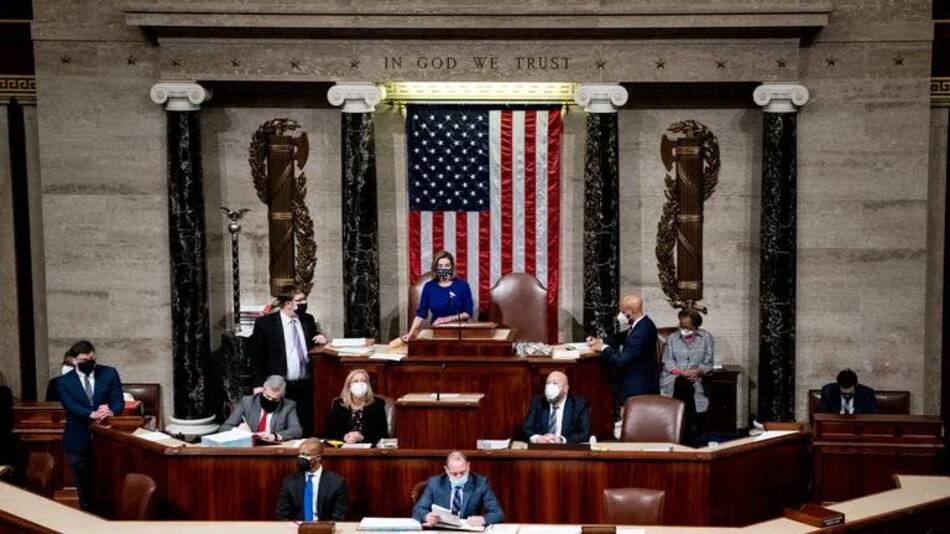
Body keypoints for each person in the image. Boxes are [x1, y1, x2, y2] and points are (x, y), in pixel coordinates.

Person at [248, 285, 328, 436]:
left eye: (304, 299)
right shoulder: (265, 324)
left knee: (305, 425)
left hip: (305, 384)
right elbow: (256, 357)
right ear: (288, 304)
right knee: (281, 426)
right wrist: (258, 384)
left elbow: (311, 339)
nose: (304, 303)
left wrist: (321, 337)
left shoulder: (307, 319)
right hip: (280, 385)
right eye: (300, 300)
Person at [55, 340, 124, 511]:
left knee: (108, 483)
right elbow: (70, 405)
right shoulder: (63, 381)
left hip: (106, 438)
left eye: (92, 358)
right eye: (85, 360)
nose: (90, 362)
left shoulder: (109, 373)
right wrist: (90, 413)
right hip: (78, 437)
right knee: (84, 487)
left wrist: (110, 409)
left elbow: (118, 399)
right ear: (74, 361)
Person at [587, 294, 659, 409]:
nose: (619, 315)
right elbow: (621, 337)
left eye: (621, 311)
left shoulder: (643, 330)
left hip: (639, 390)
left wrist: (603, 348)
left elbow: (621, 360)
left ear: (629, 313)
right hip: (632, 387)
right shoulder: (640, 324)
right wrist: (600, 340)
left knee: (633, 424)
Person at [660, 309, 715, 442]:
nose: (683, 329)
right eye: (681, 325)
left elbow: (708, 363)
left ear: (696, 327)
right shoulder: (672, 338)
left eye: (686, 327)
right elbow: (667, 361)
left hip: (696, 378)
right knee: (682, 384)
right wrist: (681, 372)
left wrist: (698, 371)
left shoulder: (706, 338)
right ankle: (689, 432)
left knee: (689, 387)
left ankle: (682, 431)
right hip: (674, 378)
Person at [413, 451, 504, 527]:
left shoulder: (480, 483)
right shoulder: (435, 483)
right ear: (447, 470)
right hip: (442, 530)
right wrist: (427, 516)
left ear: (468, 466)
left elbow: (498, 513)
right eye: (454, 474)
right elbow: (418, 510)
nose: (459, 476)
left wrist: (483, 519)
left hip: (468, 531)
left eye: (462, 472)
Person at [402, 250, 474, 341]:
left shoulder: (463, 286)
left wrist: (446, 319)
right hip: (437, 333)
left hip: (459, 333)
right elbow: (420, 314)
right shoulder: (429, 287)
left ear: (452, 268)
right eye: (440, 266)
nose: (443, 269)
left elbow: (468, 313)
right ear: (436, 268)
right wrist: (410, 333)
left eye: (447, 266)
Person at [276, 438, 348, 521]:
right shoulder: (290, 481)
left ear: (318, 457)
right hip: (296, 528)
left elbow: (339, 516)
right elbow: (282, 514)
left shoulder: (336, 482)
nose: (301, 458)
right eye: (300, 454)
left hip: (324, 528)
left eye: (306, 455)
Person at [219, 375, 302, 442]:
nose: (270, 400)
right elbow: (224, 428)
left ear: (282, 396)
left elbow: (297, 430)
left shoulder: (288, 405)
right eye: (268, 396)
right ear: (263, 390)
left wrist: (275, 436)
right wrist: (238, 430)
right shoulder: (247, 402)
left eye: (275, 399)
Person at [522, 371, 591, 444]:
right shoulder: (537, 402)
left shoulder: (579, 404)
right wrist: (537, 438)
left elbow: (584, 433)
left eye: (555, 383)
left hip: (567, 451)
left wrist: (561, 440)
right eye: (548, 383)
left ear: (565, 388)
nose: (550, 387)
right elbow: (527, 428)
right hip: (542, 449)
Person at [326, 369, 388, 446]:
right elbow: (331, 431)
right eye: (356, 381)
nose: (360, 384)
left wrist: (361, 437)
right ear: (349, 386)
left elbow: (382, 433)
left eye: (363, 381)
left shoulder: (377, 404)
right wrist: (345, 436)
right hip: (344, 447)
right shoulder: (339, 404)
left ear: (368, 385)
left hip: (369, 448)